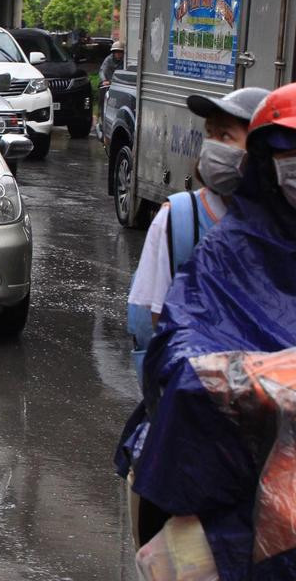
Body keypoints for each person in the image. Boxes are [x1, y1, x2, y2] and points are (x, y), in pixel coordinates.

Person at [117, 83, 296, 580]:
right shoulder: (222, 246)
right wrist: (245, 378)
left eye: (226, 134)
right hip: (227, 467)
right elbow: (164, 339)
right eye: (286, 152)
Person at [125, 87, 269, 383]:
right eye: (210, 135)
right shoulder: (178, 219)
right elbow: (149, 324)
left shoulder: (282, 228)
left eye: (226, 136)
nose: (212, 147)